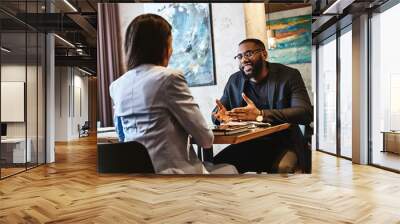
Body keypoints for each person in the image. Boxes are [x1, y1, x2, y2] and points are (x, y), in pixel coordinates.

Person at [109, 14, 237, 174]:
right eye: (170, 43)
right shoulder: (169, 78)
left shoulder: (117, 85)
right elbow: (205, 139)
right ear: (162, 46)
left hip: (137, 174)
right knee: (231, 169)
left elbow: (122, 137)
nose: (172, 50)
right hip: (175, 173)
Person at [212, 38, 313, 173]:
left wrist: (260, 115)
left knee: (283, 169)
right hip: (247, 144)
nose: (243, 60)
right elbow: (219, 110)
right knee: (214, 166)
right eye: (240, 56)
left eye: (248, 54)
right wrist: (220, 116)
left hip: (283, 143)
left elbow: (304, 112)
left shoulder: (289, 76)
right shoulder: (234, 81)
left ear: (264, 55)